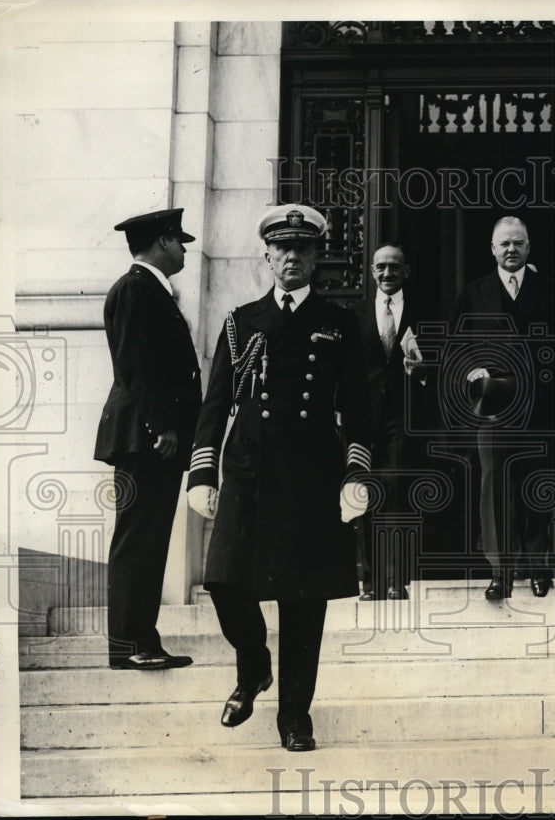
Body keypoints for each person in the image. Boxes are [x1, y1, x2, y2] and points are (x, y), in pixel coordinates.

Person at [186, 204, 371, 752]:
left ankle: (294, 716)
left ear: (317, 257)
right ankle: (253, 663)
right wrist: (202, 471)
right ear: (267, 255)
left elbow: (359, 409)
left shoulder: (339, 325)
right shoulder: (240, 322)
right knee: (222, 579)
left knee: (303, 602)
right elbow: (215, 403)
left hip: (311, 478)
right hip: (247, 471)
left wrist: (355, 472)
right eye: (282, 248)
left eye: (304, 248)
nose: (292, 256)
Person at [95, 208, 202, 671]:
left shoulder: (147, 290)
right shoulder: (138, 289)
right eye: (179, 242)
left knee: (148, 540)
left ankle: (143, 638)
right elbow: (138, 366)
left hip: (149, 438)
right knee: (138, 540)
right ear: (162, 242)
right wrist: (162, 427)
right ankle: (128, 646)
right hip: (146, 438)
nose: (183, 250)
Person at [450, 216, 555, 601]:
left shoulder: (550, 290)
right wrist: (473, 371)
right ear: (492, 249)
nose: (511, 249)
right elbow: (457, 349)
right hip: (493, 407)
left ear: (528, 247)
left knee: (536, 484)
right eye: (503, 243)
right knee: (495, 488)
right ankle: (500, 573)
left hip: (539, 404)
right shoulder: (474, 293)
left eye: (517, 243)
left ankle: (539, 567)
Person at [353, 244, 434, 601]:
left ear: (407, 272)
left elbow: (442, 366)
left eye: (394, 268)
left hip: (403, 417)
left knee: (398, 495)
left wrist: (424, 370)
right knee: (366, 494)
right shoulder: (354, 317)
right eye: (381, 268)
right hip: (362, 419)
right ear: (372, 272)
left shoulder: (425, 314)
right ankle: (369, 581)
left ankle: (395, 579)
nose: (387, 274)